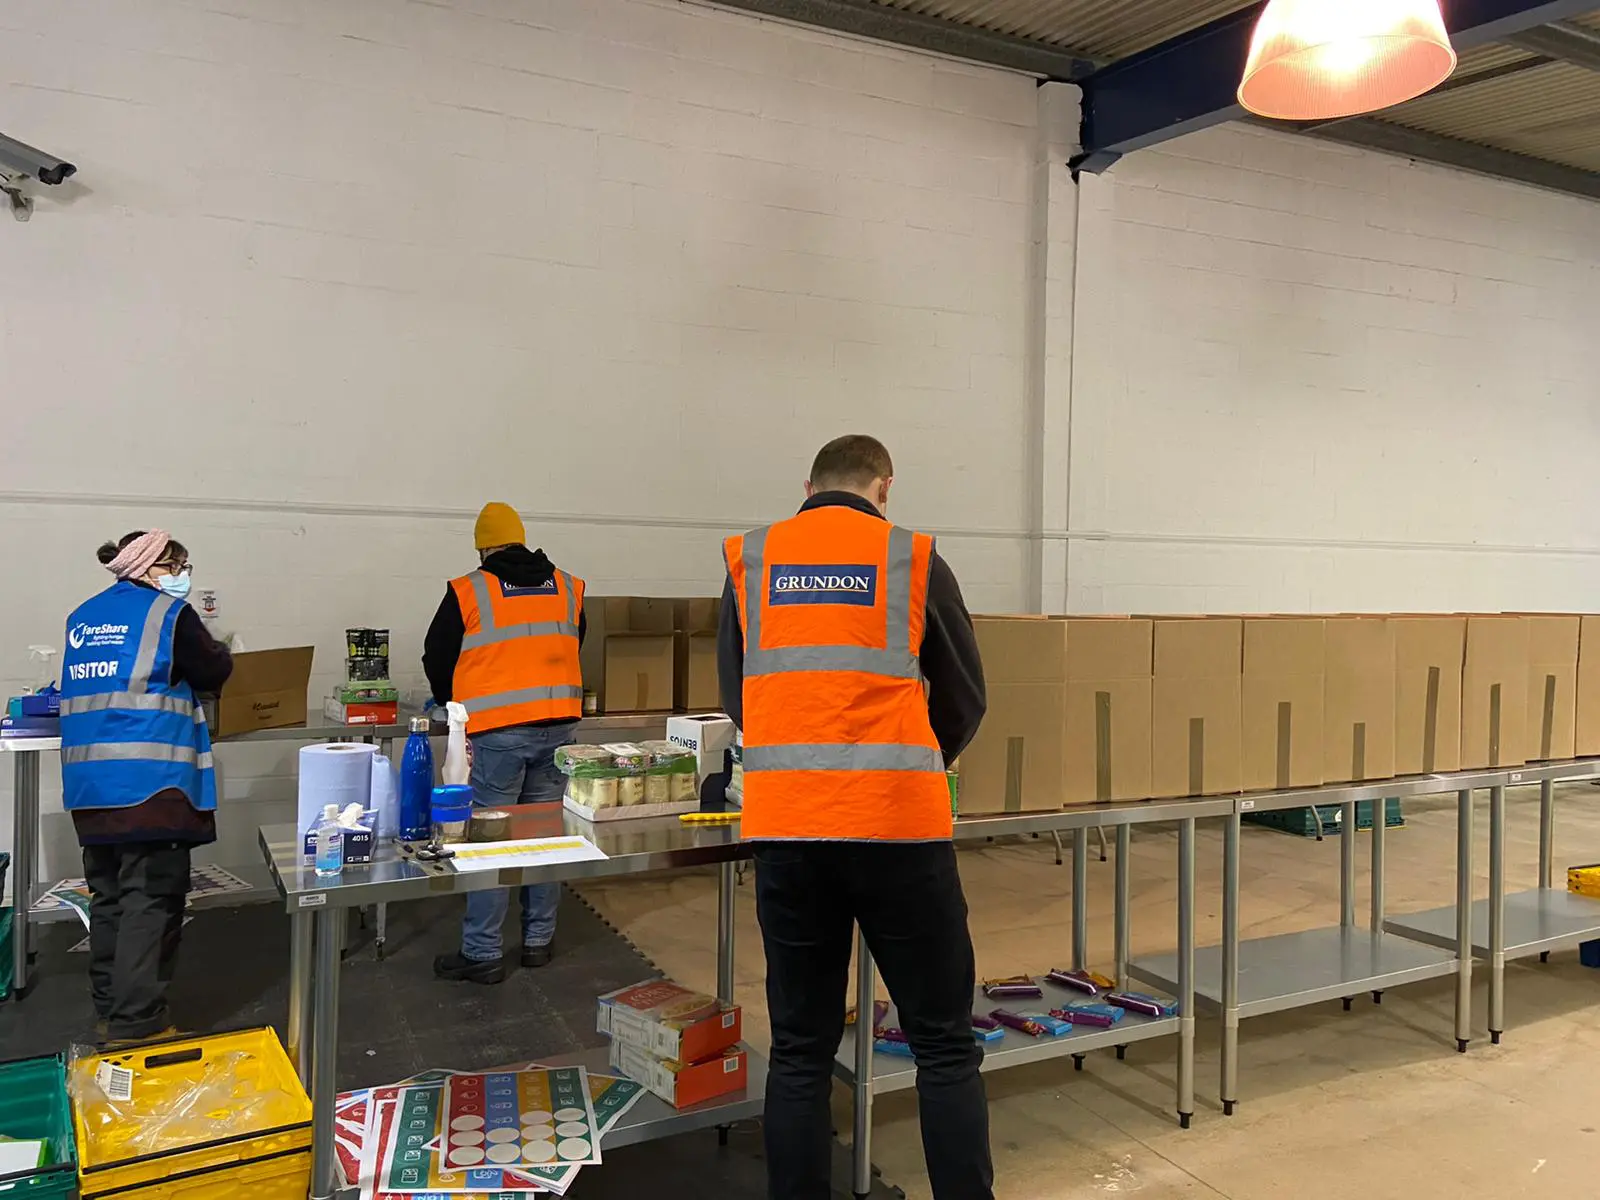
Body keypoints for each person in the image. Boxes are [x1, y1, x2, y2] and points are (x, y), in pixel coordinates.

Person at [718, 435, 991, 1200]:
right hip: (898, 829)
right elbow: (965, 693)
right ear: (884, 487)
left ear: (808, 485)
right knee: (942, 1044)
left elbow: (743, 701)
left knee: (800, 1051)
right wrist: (918, 754)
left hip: (789, 828)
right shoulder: (911, 558)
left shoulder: (752, 559)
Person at [59, 530, 233, 1043]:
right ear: (154, 567)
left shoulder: (82, 617)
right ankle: (139, 1025)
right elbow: (213, 668)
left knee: (109, 900)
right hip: (151, 786)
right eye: (178, 565)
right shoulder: (167, 615)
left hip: (91, 787)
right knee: (150, 900)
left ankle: (111, 1010)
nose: (183, 575)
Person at [423, 502, 586, 984]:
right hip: (559, 728)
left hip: (498, 734)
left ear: (485, 547)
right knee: (545, 839)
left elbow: (437, 654)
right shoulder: (568, 586)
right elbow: (573, 642)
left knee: (490, 842)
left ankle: (483, 952)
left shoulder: (470, 589)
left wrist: (448, 701)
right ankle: (538, 942)